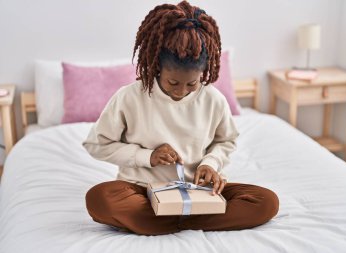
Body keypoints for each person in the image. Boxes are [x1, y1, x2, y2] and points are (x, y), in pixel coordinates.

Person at [84, 0, 279, 236]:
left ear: (203, 74)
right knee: (100, 198)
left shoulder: (213, 100)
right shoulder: (129, 97)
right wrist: (148, 157)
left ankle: (165, 221)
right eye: (173, 82)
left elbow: (225, 141)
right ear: (157, 67)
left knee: (266, 202)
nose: (180, 91)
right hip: (141, 190)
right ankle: (189, 219)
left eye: (192, 84)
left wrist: (210, 164)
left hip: (197, 190)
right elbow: (97, 144)